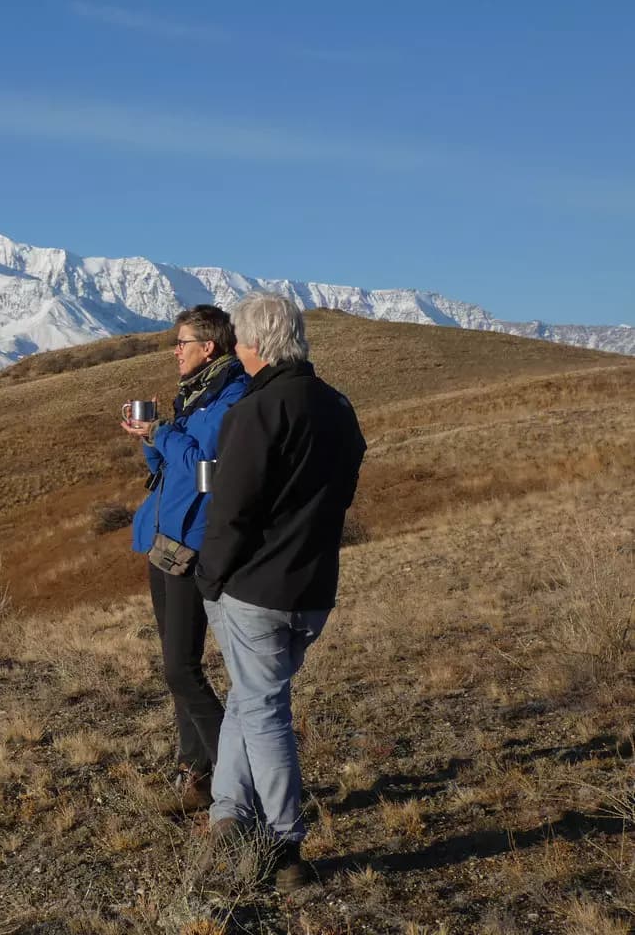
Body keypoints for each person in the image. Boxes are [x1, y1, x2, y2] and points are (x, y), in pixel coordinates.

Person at [194, 292, 367, 893]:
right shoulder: (337, 407)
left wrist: (209, 575)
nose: (235, 349)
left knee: (264, 710)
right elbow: (341, 493)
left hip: (255, 590)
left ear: (258, 344)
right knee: (251, 697)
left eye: (239, 340)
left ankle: (284, 843)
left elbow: (232, 513)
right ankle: (227, 813)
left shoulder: (257, 411)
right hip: (314, 585)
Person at [123, 304, 249, 816]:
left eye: (182, 342)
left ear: (209, 347)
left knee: (181, 668)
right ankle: (194, 773)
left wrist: (165, 436)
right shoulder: (198, 397)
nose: (175, 350)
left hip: (190, 544)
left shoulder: (230, 398)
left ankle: (234, 776)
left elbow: (205, 470)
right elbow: (175, 469)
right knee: (178, 665)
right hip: (163, 538)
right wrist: (151, 436)